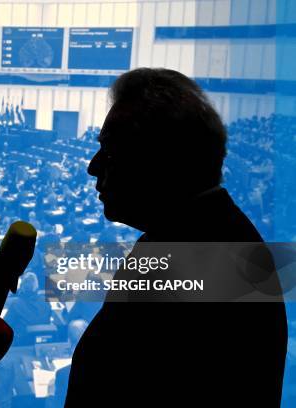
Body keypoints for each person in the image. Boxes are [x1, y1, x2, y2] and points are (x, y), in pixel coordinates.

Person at [65, 68, 287, 406]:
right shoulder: (197, 235)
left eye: (109, 150)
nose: (93, 167)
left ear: (159, 159)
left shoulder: (201, 257)